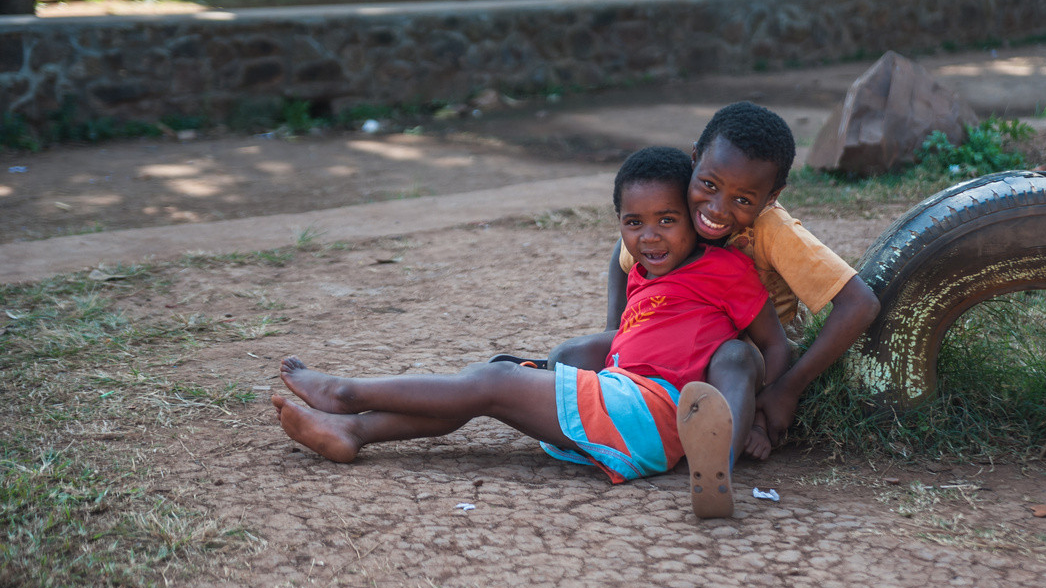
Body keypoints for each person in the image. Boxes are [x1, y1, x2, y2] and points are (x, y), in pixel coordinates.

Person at [271, 146, 790, 518]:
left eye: (667, 220)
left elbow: (770, 346)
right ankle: (354, 432)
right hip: (626, 415)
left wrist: (759, 422)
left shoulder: (724, 269)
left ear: (692, 218)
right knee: (493, 385)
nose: (649, 236)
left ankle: (344, 393)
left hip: (651, 409)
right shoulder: (645, 271)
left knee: (490, 384)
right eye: (634, 223)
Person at [550, 101, 881, 461]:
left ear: (771, 196)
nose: (717, 209)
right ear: (694, 158)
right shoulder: (677, 209)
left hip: (746, 359)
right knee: (568, 357)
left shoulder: (773, 231)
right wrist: (617, 329)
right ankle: (595, 431)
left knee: (733, 357)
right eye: (709, 184)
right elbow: (622, 255)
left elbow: (860, 303)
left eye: (742, 199)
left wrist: (788, 388)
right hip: (671, 341)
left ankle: (719, 457)